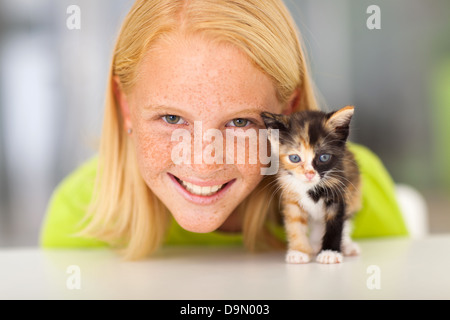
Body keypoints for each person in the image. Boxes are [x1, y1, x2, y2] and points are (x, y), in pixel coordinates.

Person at [40, 0, 408, 260]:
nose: (203, 161)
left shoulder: (357, 189)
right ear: (126, 107)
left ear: (288, 115)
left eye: (239, 122)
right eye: (171, 119)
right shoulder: (80, 215)